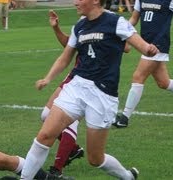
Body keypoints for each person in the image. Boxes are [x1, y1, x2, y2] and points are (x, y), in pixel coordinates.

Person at [20, 0, 159, 178]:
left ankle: (127, 176)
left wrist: (149, 50)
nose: (75, 2)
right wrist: (47, 78)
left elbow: (140, 46)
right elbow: (65, 57)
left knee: (95, 158)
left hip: (102, 95)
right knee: (45, 135)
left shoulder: (116, 22)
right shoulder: (79, 26)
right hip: (77, 87)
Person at [113, 0, 173, 128]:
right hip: (144, 44)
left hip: (158, 45)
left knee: (138, 77)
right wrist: (120, 34)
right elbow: (134, 18)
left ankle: (124, 118)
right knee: (164, 83)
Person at [41, 10, 84, 177]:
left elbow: (126, 47)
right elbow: (69, 46)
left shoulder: (111, 20)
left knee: (70, 122)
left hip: (92, 80)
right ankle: (73, 150)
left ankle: (57, 170)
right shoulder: (82, 21)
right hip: (75, 74)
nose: (77, 3)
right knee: (46, 115)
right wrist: (56, 28)